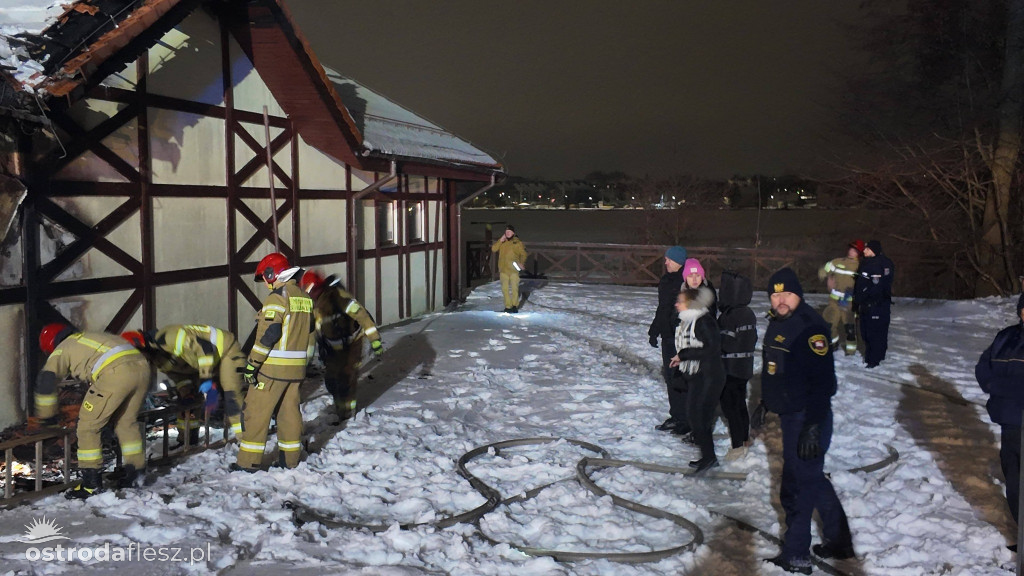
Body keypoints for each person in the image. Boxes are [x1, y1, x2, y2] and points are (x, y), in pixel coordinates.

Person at [761, 267, 854, 573]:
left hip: (809, 417)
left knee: (799, 485)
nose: (781, 300)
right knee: (808, 479)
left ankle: (797, 553)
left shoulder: (810, 328)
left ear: (798, 295)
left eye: (786, 294)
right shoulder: (778, 324)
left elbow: (824, 383)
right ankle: (839, 540)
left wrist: (812, 426)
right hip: (790, 414)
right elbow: (775, 369)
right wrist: (764, 402)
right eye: (775, 295)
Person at [33, 324, 152, 498]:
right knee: (126, 423)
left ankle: (91, 485)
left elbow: (46, 380)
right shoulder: (91, 336)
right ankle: (135, 473)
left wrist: (47, 416)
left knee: (88, 427)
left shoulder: (63, 348)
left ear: (51, 344)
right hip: (142, 368)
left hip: (115, 373)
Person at [234, 252, 315, 471]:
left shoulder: (277, 298)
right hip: (296, 371)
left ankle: (247, 463)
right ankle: (290, 461)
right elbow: (310, 332)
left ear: (273, 273)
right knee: (289, 415)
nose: (267, 284)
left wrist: (252, 365)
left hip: (272, 370)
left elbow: (267, 336)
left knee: (255, 414)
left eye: (266, 277)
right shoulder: (305, 299)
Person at [123, 324, 246, 440]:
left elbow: (205, 348)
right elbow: (179, 377)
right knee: (185, 402)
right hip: (203, 364)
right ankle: (187, 439)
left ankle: (245, 438)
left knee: (232, 393)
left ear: (140, 346)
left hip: (225, 351)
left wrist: (205, 379)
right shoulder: (158, 359)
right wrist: (186, 392)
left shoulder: (169, 337)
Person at [302, 271, 384, 423]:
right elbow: (312, 334)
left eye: (310, 291)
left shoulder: (339, 298)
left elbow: (362, 317)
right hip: (332, 348)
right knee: (332, 381)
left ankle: (347, 413)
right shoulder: (315, 307)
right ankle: (341, 408)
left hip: (352, 344)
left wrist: (375, 340)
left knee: (347, 378)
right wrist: (307, 359)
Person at [975, 293, 1024, 537]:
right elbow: (983, 369)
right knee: (1013, 478)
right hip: (1010, 421)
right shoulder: (1005, 338)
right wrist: (997, 388)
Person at [669, 285, 725, 473]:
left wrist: (683, 355)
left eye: (681, 301)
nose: (677, 304)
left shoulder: (704, 321)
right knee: (695, 417)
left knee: (699, 417)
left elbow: (711, 349)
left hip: (710, 376)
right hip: (697, 376)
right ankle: (708, 457)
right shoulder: (688, 321)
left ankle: (709, 458)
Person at [649, 245, 690, 435]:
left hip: (680, 336)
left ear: (679, 262)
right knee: (670, 377)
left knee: (680, 378)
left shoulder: (687, 281)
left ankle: (686, 419)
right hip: (667, 335)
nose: (665, 262)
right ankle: (676, 415)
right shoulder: (666, 280)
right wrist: (654, 329)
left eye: (669, 260)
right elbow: (662, 308)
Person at [717, 270, 758, 460]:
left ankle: (737, 447)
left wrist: (717, 341)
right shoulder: (747, 313)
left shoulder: (730, 315)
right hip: (744, 367)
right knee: (740, 404)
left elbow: (730, 342)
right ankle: (744, 440)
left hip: (730, 368)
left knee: (731, 408)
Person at [855, 240, 895, 368]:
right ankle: (875, 356)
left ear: (874, 250)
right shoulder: (867, 263)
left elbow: (877, 286)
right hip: (868, 304)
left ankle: (873, 360)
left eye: (867, 249)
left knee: (874, 333)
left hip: (875, 305)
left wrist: (865, 297)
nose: (864, 251)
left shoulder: (879, 264)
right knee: (866, 332)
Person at [819, 240, 863, 356]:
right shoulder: (837, 262)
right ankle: (833, 344)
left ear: (859, 253)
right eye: (850, 249)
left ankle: (851, 352)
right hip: (834, 301)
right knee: (828, 324)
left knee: (850, 329)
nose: (851, 252)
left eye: (854, 250)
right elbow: (823, 271)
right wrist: (828, 278)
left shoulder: (862, 268)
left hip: (849, 304)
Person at [491, 224, 528, 313]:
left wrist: (521, 263)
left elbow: (524, 254)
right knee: (505, 289)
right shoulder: (502, 242)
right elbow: (494, 249)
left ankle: (514, 306)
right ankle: (508, 306)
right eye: (506, 232)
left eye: (509, 232)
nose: (507, 233)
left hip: (514, 270)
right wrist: (500, 240)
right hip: (503, 269)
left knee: (514, 288)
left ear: (513, 233)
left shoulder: (517, 243)